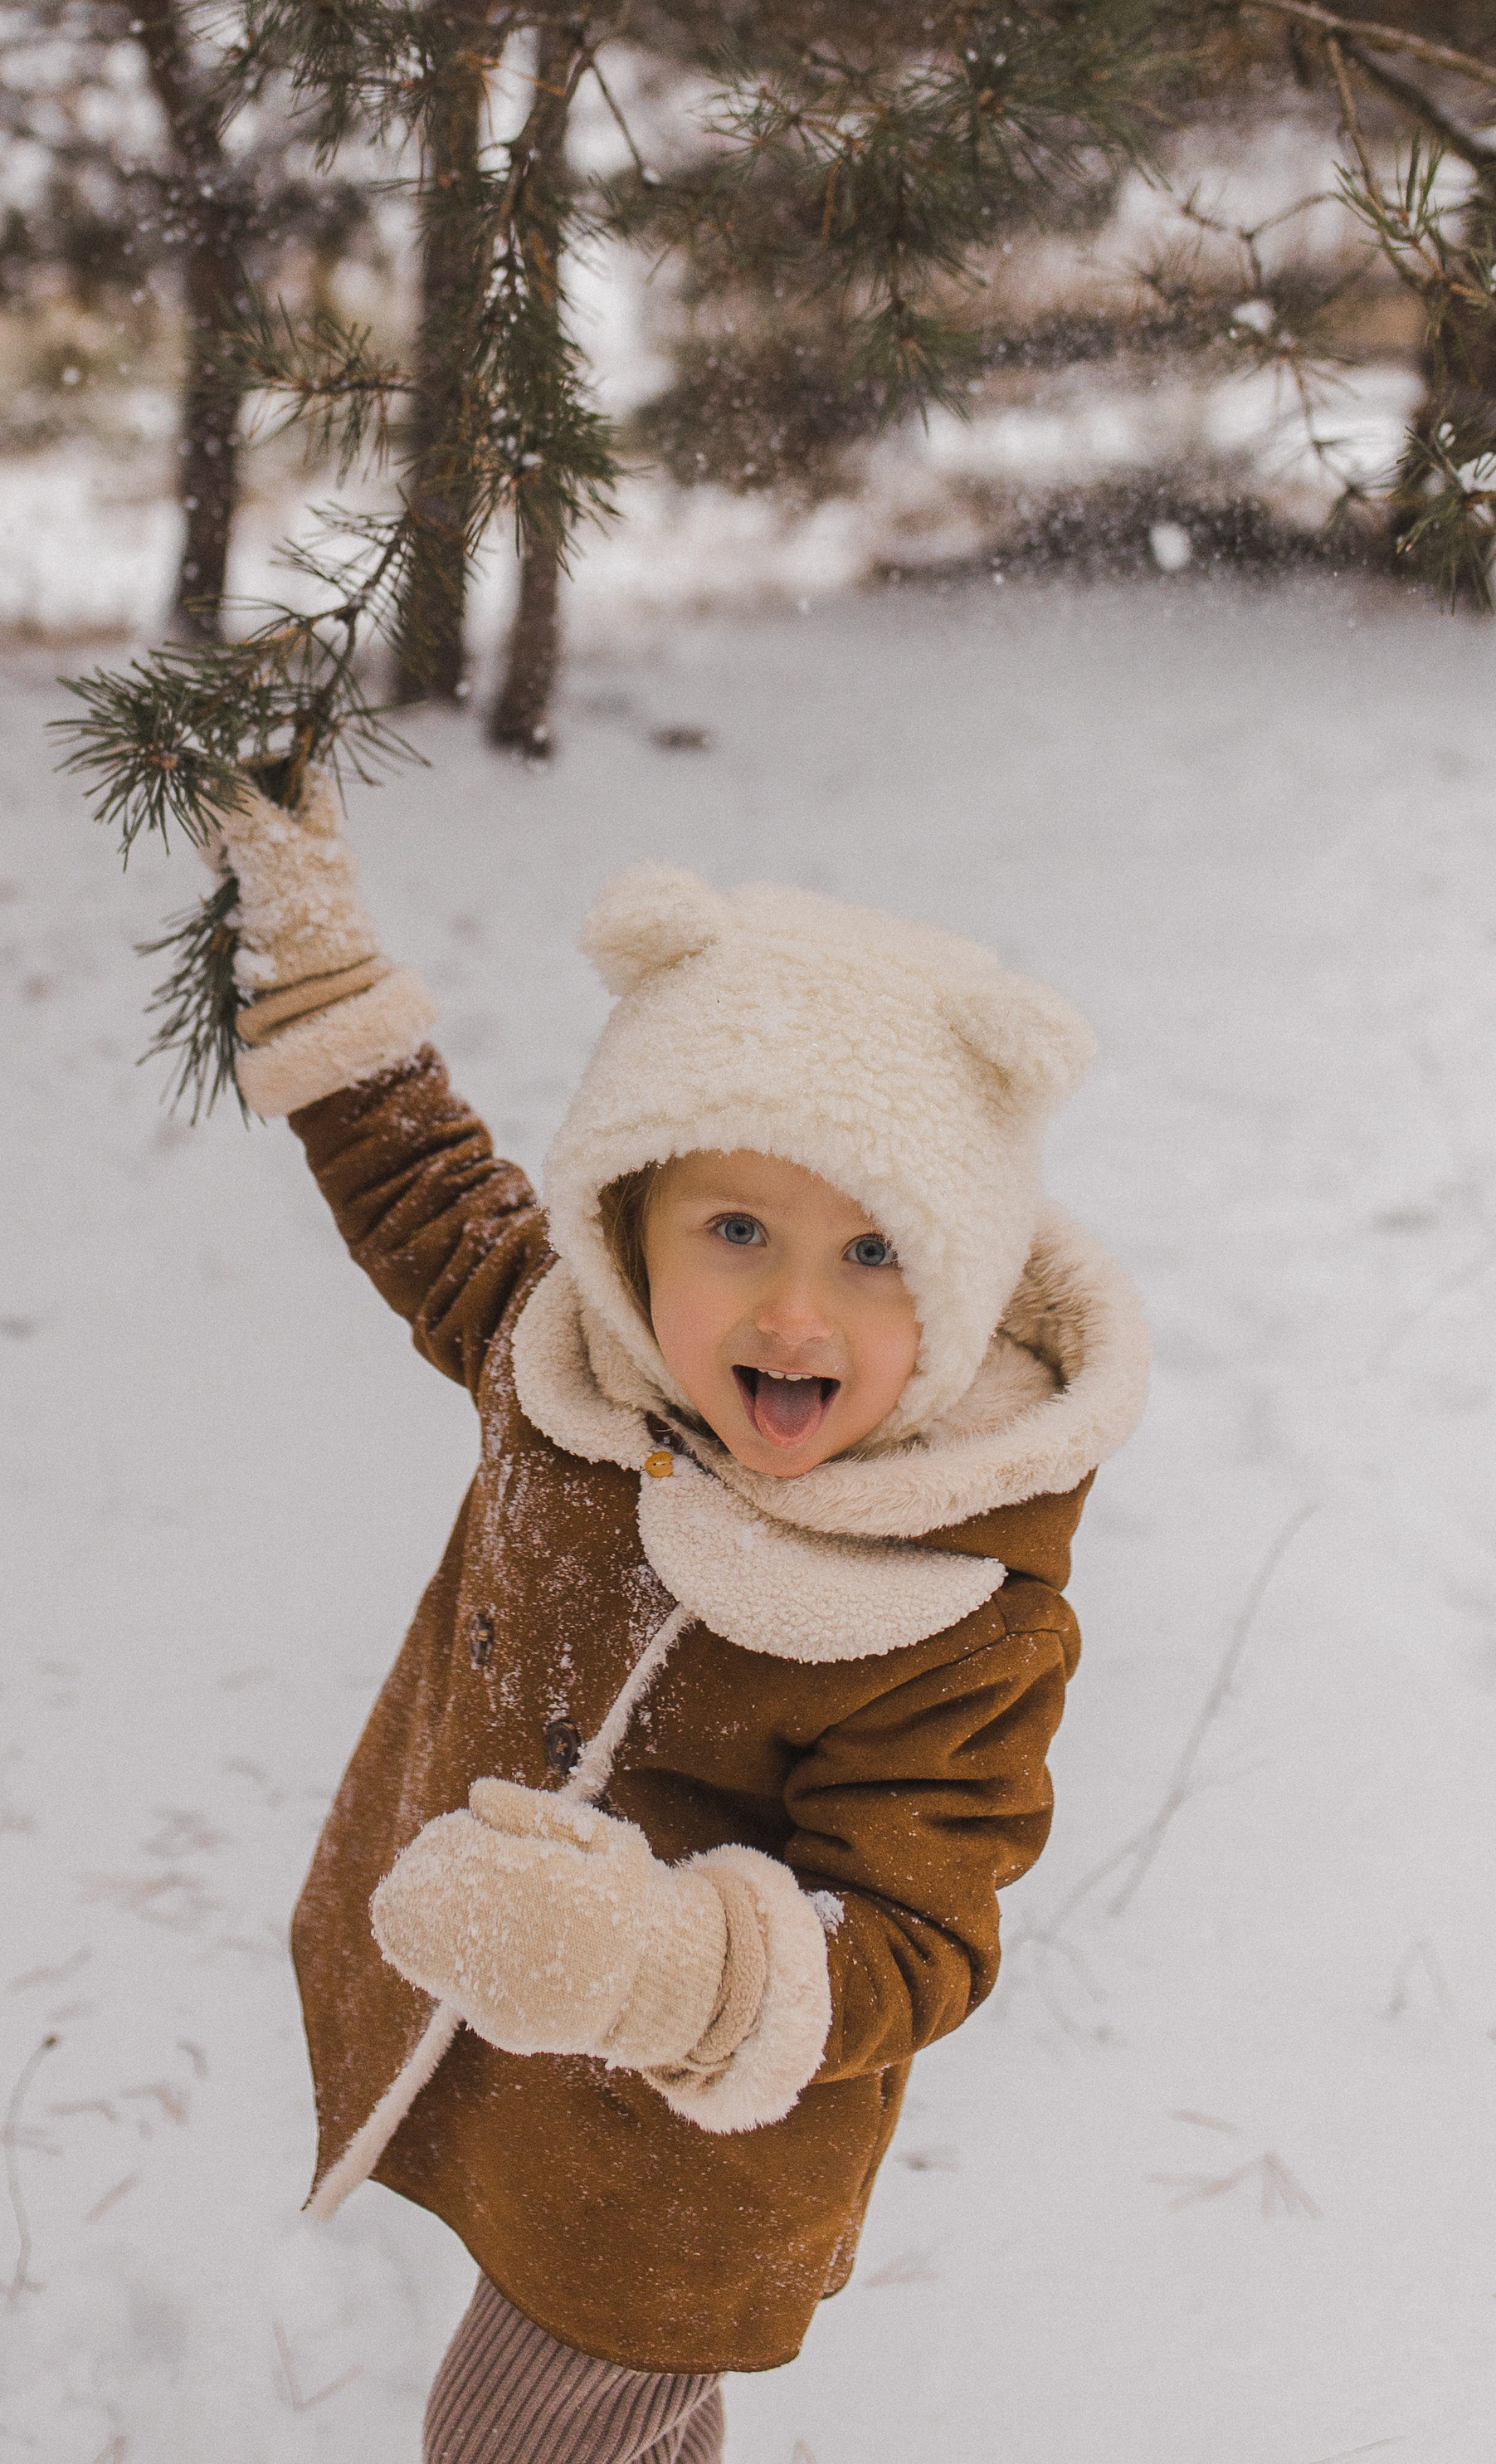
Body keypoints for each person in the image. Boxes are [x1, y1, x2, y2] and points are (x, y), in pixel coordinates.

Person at [200, 772, 1148, 2462]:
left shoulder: (947, 1600)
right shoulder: (565, 1366)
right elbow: (424, 1190)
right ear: (623, 1232)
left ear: (965, 1279)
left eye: (876, 1253)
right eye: (733, 1230)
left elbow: (917, 1937)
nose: (797, 1308)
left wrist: (658, 1964)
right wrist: (313, 952)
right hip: (501, 2051)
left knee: (518, 2440)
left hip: (679, 2171)